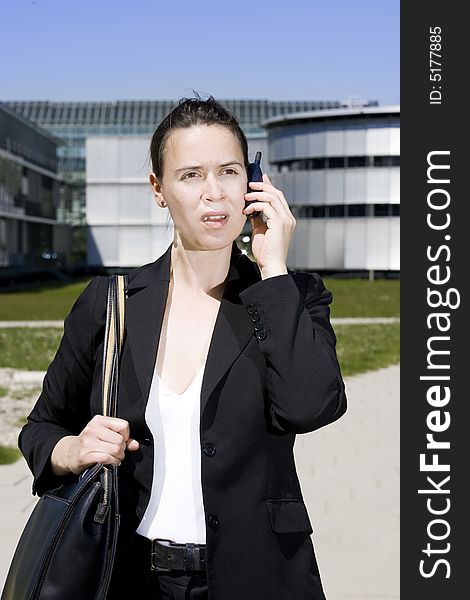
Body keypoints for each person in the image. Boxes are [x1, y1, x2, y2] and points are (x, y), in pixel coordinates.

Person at [19, 96, 347, 599]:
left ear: (254, 182)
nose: (213, 194)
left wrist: (273, 268)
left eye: (229, 171)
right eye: (190, 175)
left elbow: (311, 406)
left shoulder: (290, 296)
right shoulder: (112, 304)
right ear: (159, 189)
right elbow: (42, 428)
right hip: (130, 576)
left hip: (261, 576)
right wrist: (74, 450)